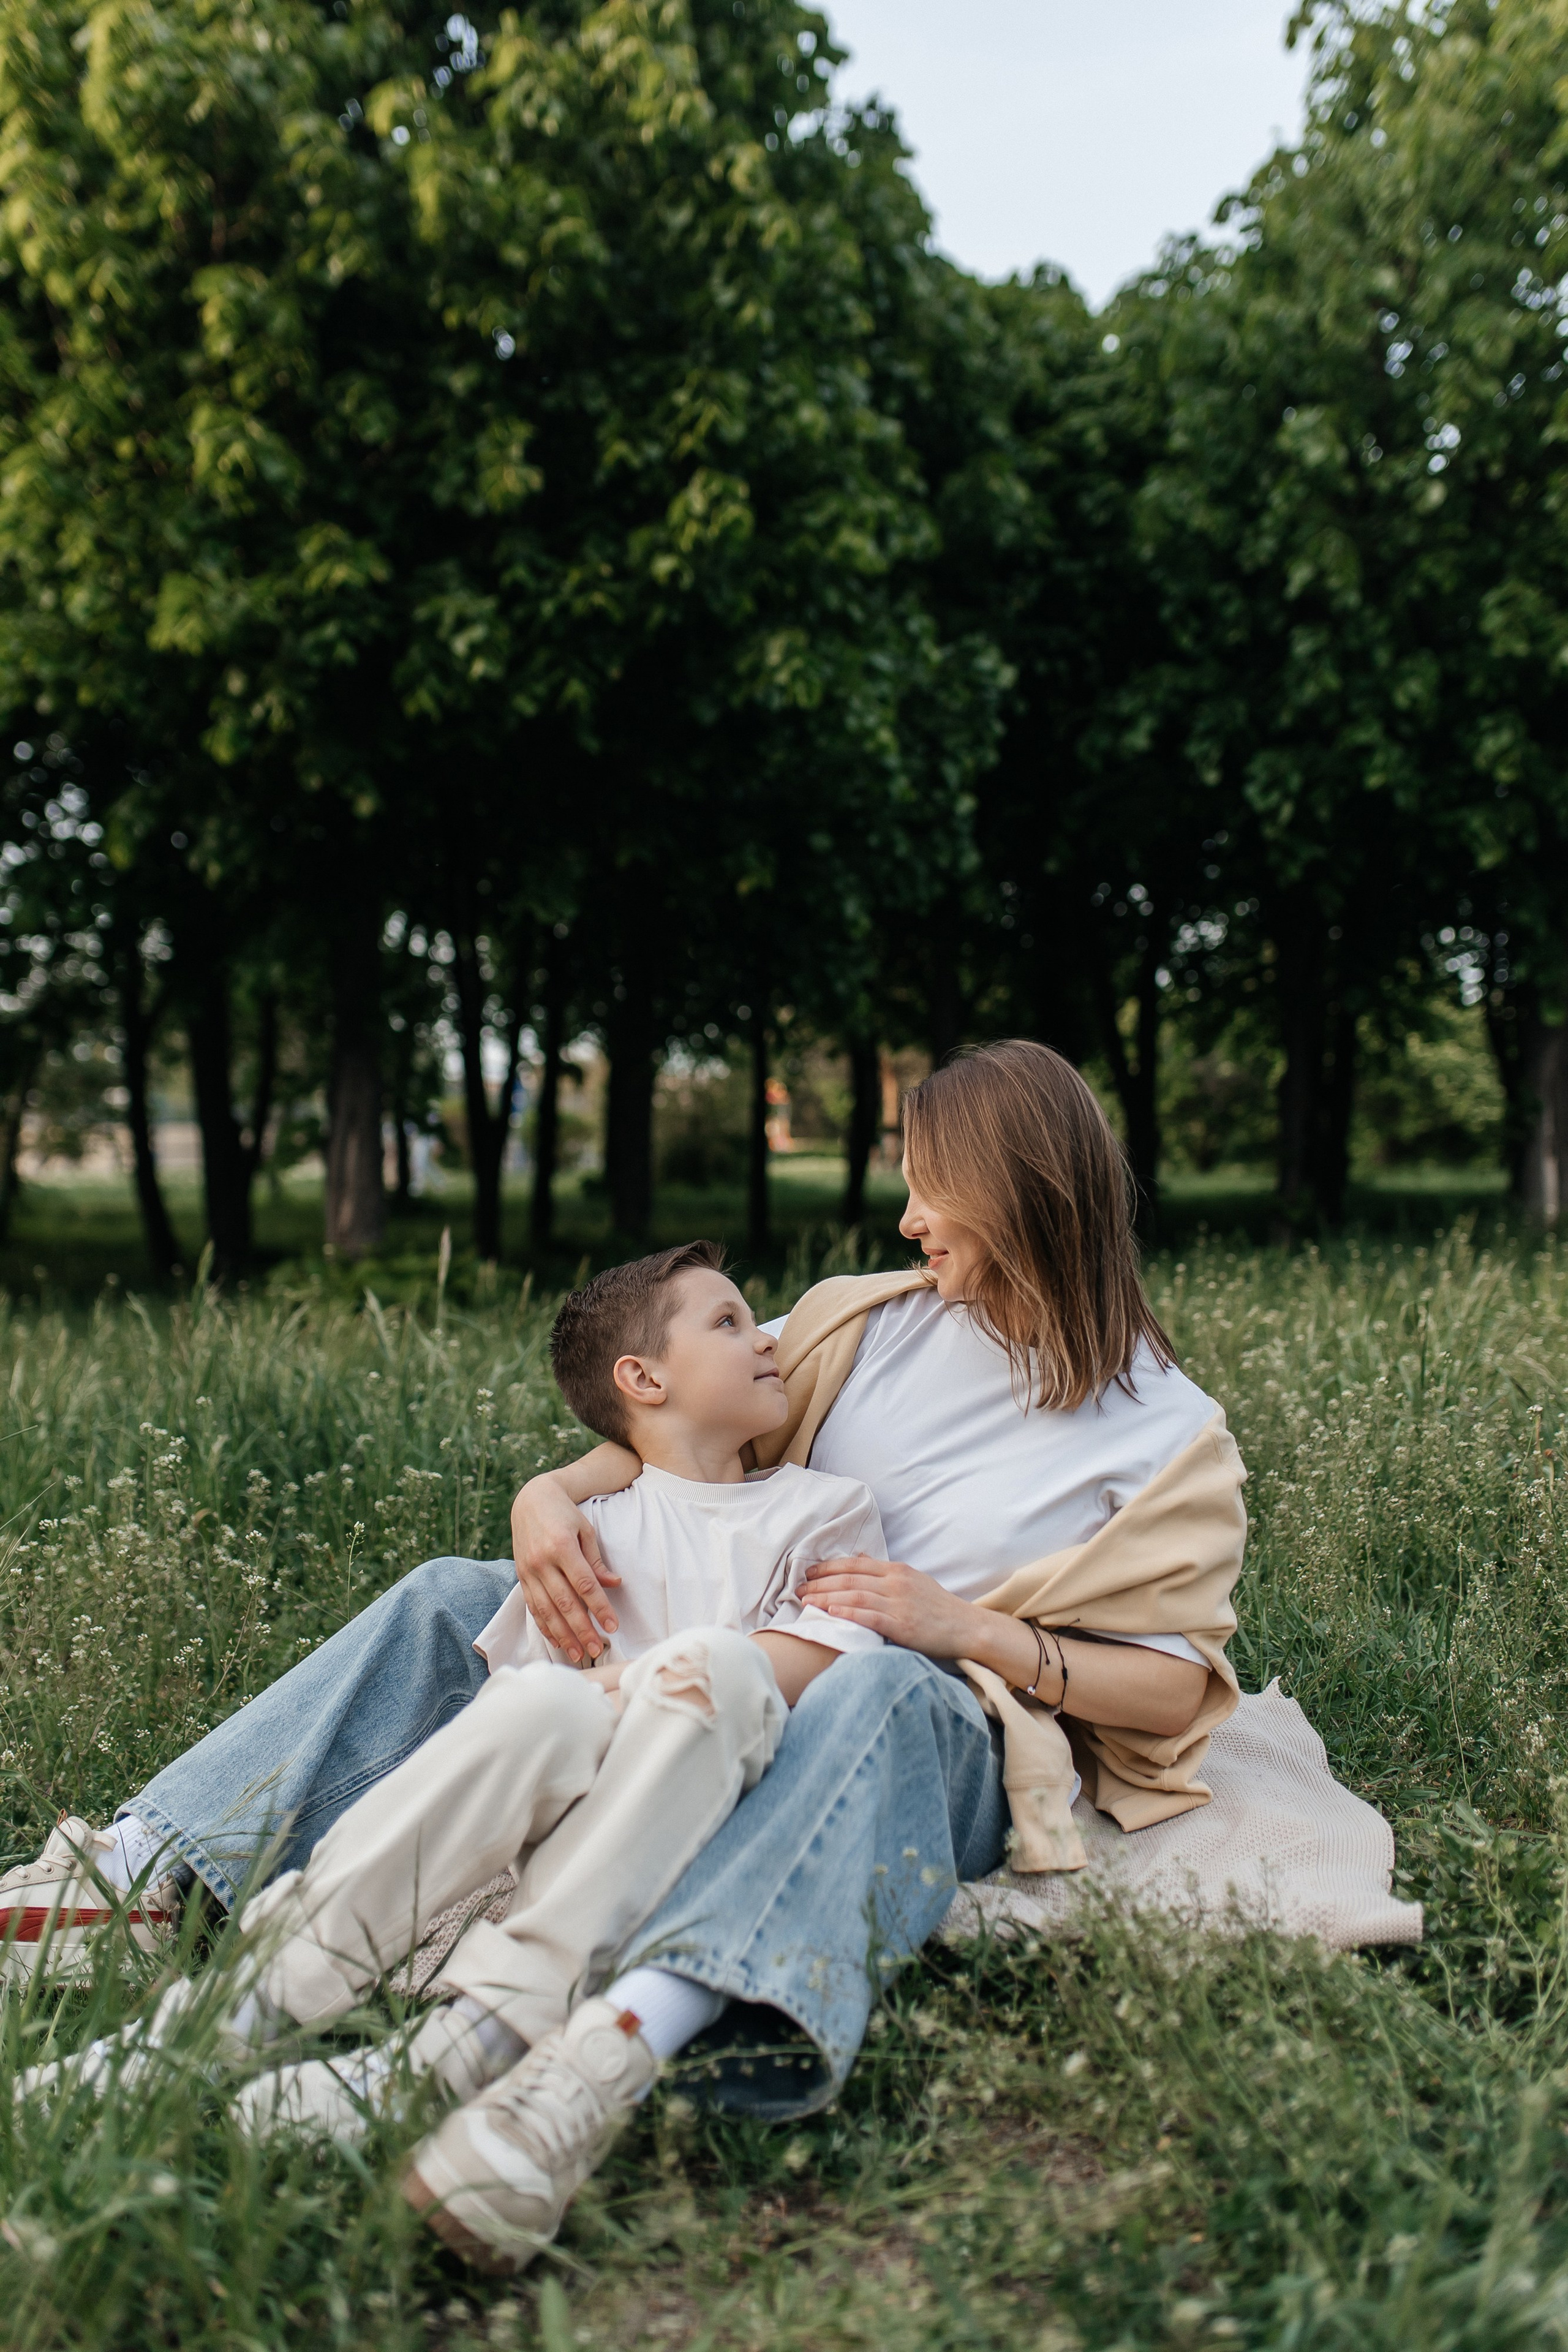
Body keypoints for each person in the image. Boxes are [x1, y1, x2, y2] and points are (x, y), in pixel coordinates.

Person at [0, 1042, 1244, 2262]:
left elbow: (1172, 1688)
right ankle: (136, 1881)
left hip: (925, 1708)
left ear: (1017, 1186)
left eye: (930, 1185)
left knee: (872, 1681)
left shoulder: (1161, 1434)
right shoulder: (867, 1323)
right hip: (731, 1617)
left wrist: (961, 1627)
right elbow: (692, 1439)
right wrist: (549, 1492)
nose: (908, 1217)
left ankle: (592, 2060)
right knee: (455, 1596)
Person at [209, 1240, 885, 2180]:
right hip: (569, 1827)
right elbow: (518, 1721)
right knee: (539, 1709)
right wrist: (556, 1499)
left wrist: (623, 1683)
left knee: (702, 1673)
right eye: (730, 1322)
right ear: (642, 1377)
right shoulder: (586, 1535)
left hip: (704, 1815)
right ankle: (245, 2003)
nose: (767, 1340)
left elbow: (810, 1665)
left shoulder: (823, 1509)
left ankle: (444, 2046)